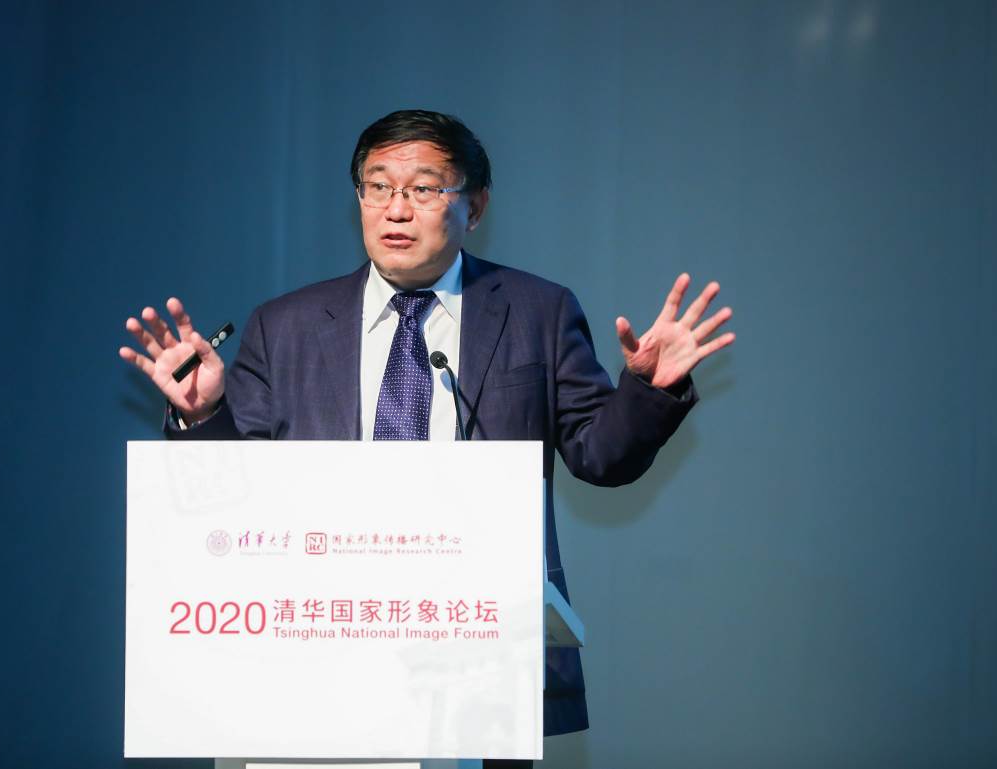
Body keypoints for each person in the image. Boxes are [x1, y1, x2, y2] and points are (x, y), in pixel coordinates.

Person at [119, 110, 734, 766]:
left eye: (423, 188)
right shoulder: (286, 325)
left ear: (475, 205)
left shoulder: (538, 312)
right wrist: (203, 415)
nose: (396, 209)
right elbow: (234, 504)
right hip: (316, 654)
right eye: (378, 186)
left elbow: (601, 456)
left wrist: (649, 389)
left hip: (478, 661)